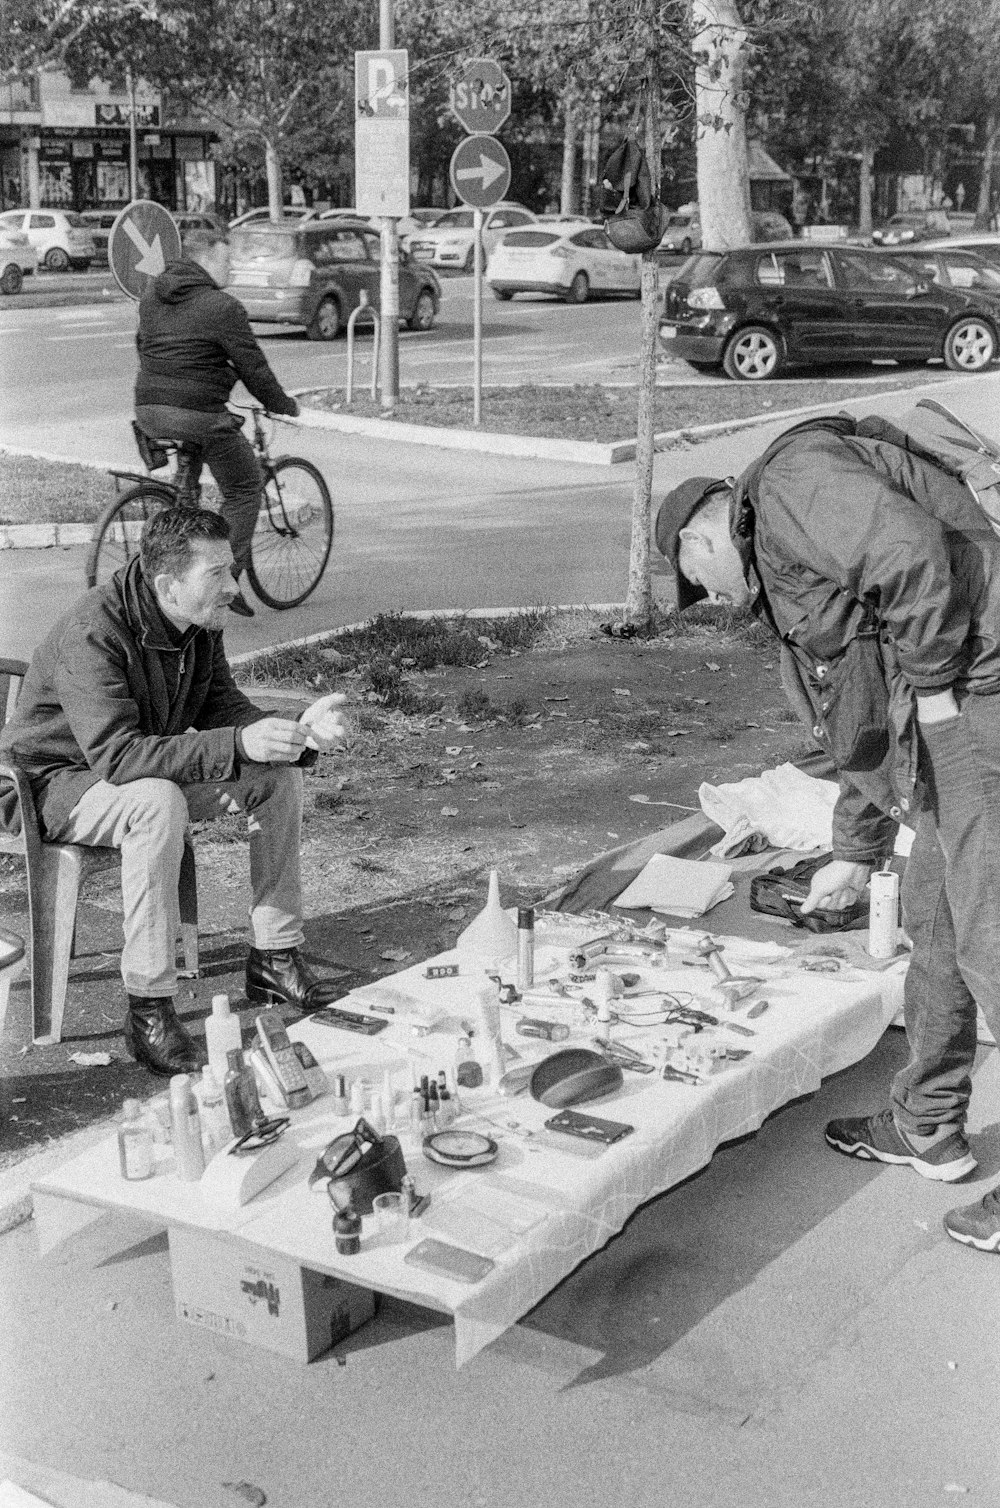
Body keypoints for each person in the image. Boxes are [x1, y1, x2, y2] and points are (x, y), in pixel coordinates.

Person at [655, 413, 1000, 1254]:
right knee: (937, 922)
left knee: (992, 935)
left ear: (703, 542)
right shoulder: (786, 547)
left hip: (982, 700)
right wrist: (855, 850)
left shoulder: (788, 487)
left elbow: (914, 557)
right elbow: (858, 712)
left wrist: (940, 692)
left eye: (698, 586)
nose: (716, 603)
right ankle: (926, 1123)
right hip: (954, 708)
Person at [0, 507, 350, 1077]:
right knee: (156, 802)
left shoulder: (196, 622)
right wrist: (239, 741)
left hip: (131, 774)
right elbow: (119, 756)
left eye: (230, 569)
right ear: (167, 585)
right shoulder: (94, 631)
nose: (233, 587)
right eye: (217, 574)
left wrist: (296, 732)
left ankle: (274, 958)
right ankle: (149, 1007)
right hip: (49, 785)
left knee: (277, 777)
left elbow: (224, 709)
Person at [134, 225, 300, 619]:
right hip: (197, 413)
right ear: (206, 258)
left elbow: (144, 346)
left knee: (187, 496)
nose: (232, 267)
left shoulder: (152, 297)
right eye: (228, 258)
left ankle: (177, 557)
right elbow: (254, 369)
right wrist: (284, 404)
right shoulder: (222, 307)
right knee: (244, 486)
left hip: (148, 408)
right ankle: (227, 580)